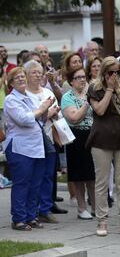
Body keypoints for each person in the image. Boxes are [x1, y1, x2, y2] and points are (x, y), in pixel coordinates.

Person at [86, 56, 120, 236]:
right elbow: (100, 110)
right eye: (111, 72)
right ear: (104, 72)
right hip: (101, 138)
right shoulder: (94, 87)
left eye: (118, 72)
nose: (115, 75)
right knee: (102, 183)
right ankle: (102, 221)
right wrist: (109, 89)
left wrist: (118, 90)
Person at [4, 67, 55, 231]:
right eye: (16, 77)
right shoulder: (10, 100)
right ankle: (18, 219)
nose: (21, 79)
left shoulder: (30, 98)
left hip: (36, 146)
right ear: (11, 83)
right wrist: (42, 108)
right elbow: (24, 119)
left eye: (22, 76)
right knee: (22, 183)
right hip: (20, 148)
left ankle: (31, 216)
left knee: (35, 183)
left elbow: (41, 118)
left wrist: (48, 109)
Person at [25, 60, 64, 223]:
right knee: (33, 177)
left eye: (40, 72)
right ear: (26, 75)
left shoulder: (48, 93)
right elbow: (27, 119)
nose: (38, 74)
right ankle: (31, 210)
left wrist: (54, 113)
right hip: (30, 141)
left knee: (48, 175)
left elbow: (58, 115)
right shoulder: (23, 94)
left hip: (48, 138)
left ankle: (45, 209)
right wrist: (46, 113)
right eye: (34, 72)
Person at [61, 68, 95, 220]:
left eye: (84, 76)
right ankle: (82, 208)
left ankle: (96, 206)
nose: (82, 79)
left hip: (94, 135)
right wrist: (87, 103)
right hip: (76, 137)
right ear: (71, 81)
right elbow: (74, 118)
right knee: (80, 175)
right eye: (78, 77)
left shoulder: (93, 93)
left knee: (94, 174)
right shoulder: (67, 97)